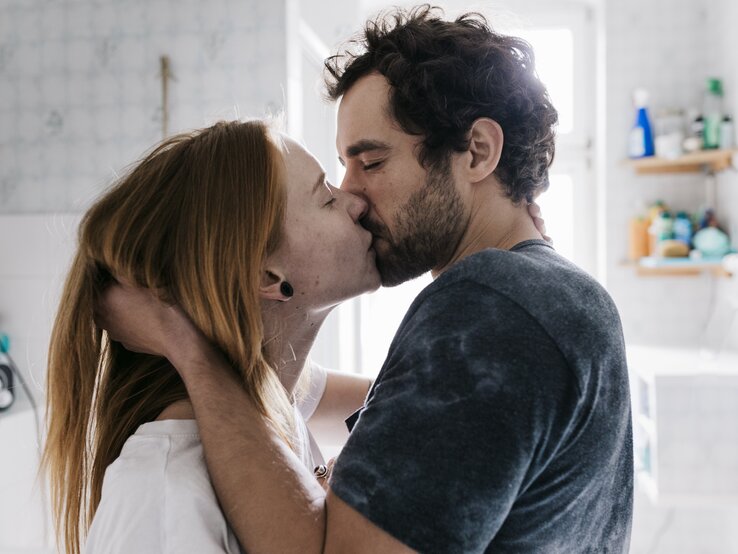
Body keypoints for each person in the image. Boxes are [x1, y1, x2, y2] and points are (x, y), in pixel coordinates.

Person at [98, 6, 633, 553]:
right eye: (337, 175)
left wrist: (187, 346)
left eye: (371, 163)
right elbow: (356, 401)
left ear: (476, 152)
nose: (352, 194)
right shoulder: (549, 293)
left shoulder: (490, 303)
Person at [41, 120, 382, 554]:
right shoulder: (165, 492)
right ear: (267, 274)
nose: (355, 202)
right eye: (326, 197)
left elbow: (395, 405)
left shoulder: (273, 387)